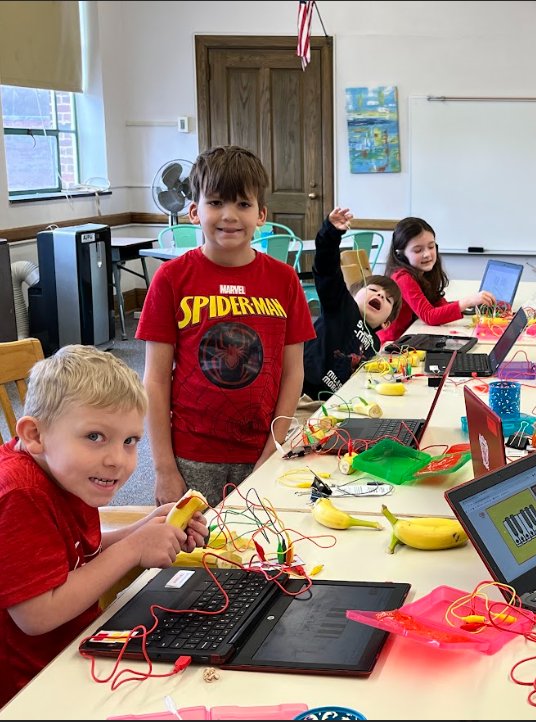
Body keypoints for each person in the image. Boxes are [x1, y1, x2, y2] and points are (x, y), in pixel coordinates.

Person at [0, 345, 208, 707]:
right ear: (34, 435)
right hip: (34, 690)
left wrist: (147, 527)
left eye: (130, 441)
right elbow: (37, 614)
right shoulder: (20, 494)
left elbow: (77, 553)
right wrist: (133, 549)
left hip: (75, 652)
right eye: (95, 437)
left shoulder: (69, 472)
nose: (116, 460)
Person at [137, 145, 315, 508]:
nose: (229, 215)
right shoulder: (172, 279)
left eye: (243, 205)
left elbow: (293, 373)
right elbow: (155, 379)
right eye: (216, 202)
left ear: (261, 214)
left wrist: (274, 448)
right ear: (193, 211)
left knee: (261, 550)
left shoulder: (284, 280)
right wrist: (163, 468)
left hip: (262, 449)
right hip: (192, 453)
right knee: (192, 553)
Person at [301, 206, 402, 401]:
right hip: (304, 393)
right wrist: (331, 233)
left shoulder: (375, 342)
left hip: (335, 402)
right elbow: (326, 269)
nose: (380, 295)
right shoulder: (342, 307)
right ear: (353, 295)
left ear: (386, 323)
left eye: (387, 299)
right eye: (373, 290)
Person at [377, 216, 496, 344]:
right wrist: (467, 301)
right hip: (392, 345)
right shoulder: (402, 277)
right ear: (400, 254)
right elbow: (429, 316)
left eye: (431, 246)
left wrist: (472, 303)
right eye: (418, 250)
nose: (427, 254)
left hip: (409, 338)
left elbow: (438, 305)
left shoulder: (423, 272)